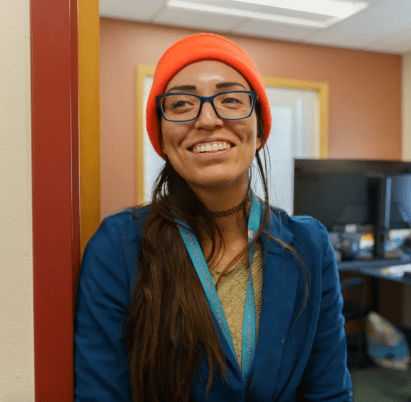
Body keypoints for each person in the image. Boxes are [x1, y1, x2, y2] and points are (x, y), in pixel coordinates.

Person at [74, 33, 352, 402]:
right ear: (161, 133)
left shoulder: (309, 246)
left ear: (259, 130)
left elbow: (328, 392)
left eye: (231, 100)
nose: (207, 119)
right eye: (182, 104)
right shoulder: (118, 248)